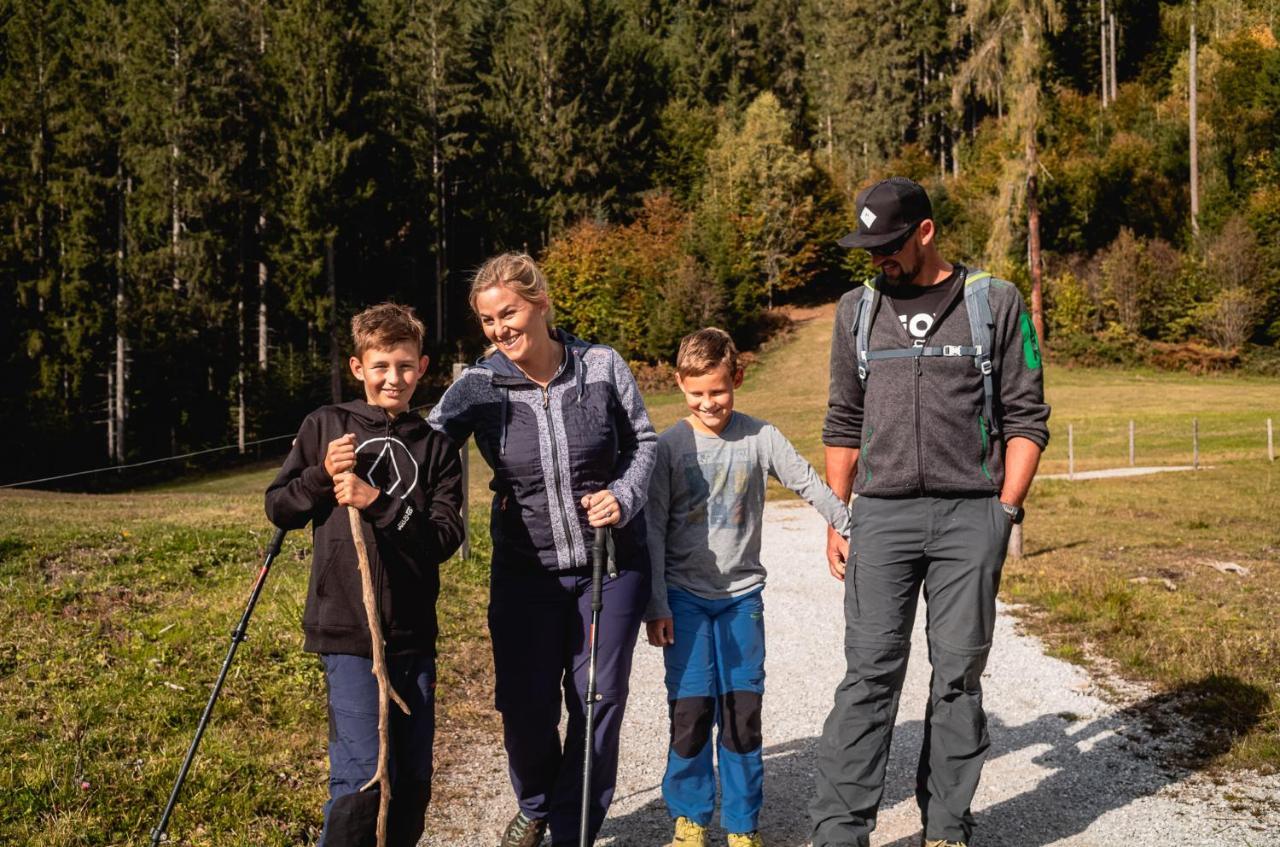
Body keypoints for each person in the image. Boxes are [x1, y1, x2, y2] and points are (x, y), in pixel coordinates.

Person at [810, 177, 1050, 847]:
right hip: (881, 517)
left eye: (888, 245)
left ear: (925, 232)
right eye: (868, 248)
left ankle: (945, 827)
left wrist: (1005, 512)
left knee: (958, 676)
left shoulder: (994, 303)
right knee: (868, 675)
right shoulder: (854, 310)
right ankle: (838, 831)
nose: (877, 259)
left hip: (970, 515)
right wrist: (838, 513)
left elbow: (1027, 416)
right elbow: (843, 418)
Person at [427, 252, 656, 846]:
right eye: (487, 321)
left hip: (609, 566)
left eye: (509, 313)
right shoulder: (476, 385)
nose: (500, 329)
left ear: (541, 304)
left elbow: (643, 443)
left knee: (597, 701)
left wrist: (623, 496)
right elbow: (420, 445)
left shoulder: (601, 365)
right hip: (526, 573)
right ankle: (535, 805)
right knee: (525, 707)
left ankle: (571, 829)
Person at [264, 302, 465, 847]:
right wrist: (320, 477)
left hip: (412, 634)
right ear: (359, 368)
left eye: (404, 366)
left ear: (423, 368)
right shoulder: (326, 425)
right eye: (381, 366)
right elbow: (280, 507)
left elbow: (444, 540)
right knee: (362, 776)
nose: (393, 378)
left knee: (412, 776)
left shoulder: (438, 449)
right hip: (347, 629)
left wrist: (378, 502)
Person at [644, 328, 852, 847]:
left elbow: (807, 481)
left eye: (718, 390)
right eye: (697, 393)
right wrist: (656, 603)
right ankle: (690, 819)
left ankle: (742, 825)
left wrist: (851, 527)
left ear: (736, 378)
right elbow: (650, 529)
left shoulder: (761, 438)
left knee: (742, 714)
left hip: (741, 602)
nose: (709, 403)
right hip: (685, 602)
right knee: (690, 714)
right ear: (680, 386)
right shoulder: (669, 447)